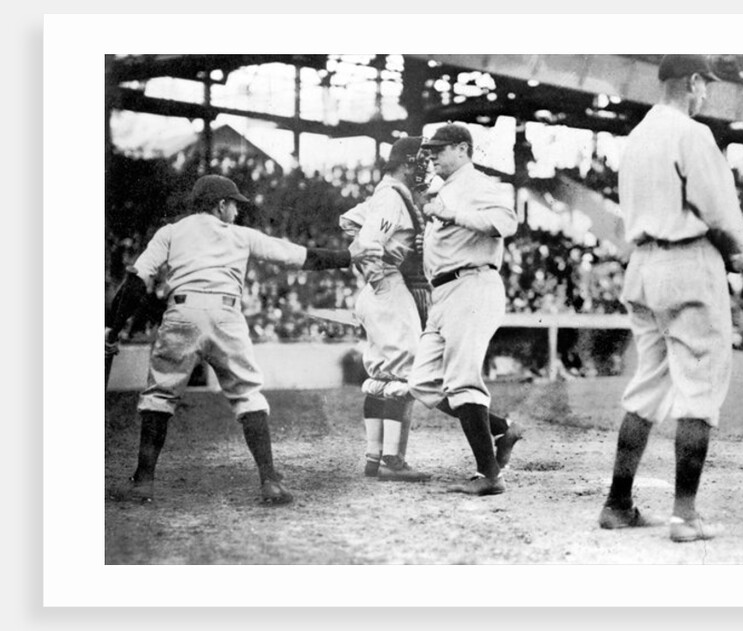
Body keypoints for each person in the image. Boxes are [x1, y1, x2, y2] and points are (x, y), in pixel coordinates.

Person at [106, 174, 382, 505]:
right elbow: (300, 256)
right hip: (226, 314)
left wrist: (112, 326)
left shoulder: (170, 232)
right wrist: (349, 256)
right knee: (248, 394)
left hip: (183, 311)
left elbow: (136, 280)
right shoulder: (240, 235)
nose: (236, 211)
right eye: (234, 205)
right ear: (221, 205)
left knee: (159, 396)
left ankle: (143, 482)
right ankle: (270, 481)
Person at [598, 55, 743, 541]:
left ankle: (617, 504)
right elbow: (720, 214)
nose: (706, 93)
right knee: (700, 388)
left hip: (643, 266)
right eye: (705, 84)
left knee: (648, 384)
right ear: (691, 82)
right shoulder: (692, 133)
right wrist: (741, 253)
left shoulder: (638, 136)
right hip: (689, 264)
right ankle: (685, 516)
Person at [408, 123, 524, 497]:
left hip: (472, 284)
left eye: (440, 149)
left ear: (462, 149)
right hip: (443, 292)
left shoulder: (479, 185)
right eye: (431, 150)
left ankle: (489, 473)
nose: (432, 156)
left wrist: (454, 215)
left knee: (461, 382)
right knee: (423, 383)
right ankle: (502, 427)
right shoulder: (444, 191)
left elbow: (508, 223)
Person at [338, 137, 431, 482]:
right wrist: (379, 273)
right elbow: (367, 242)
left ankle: (373, 458)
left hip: (379, 290)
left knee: (380, 376)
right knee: (405, 370)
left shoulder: (386, 193)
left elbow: (348, 221)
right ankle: (393, 459)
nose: (425, 166)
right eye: (421, 160)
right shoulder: (393, 197)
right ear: (407, 163)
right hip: (387, 287)